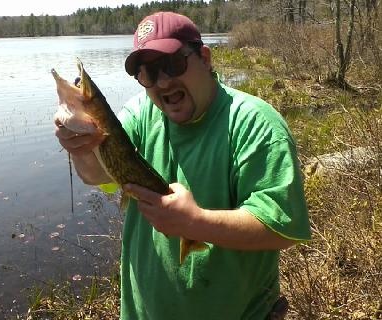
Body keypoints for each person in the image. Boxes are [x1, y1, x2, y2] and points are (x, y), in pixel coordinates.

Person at [55, 11, 311, 320]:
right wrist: (80, 146)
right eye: (148, 72)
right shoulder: (140, 112)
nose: (163, 81)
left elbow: (282, 229)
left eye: (173, 63)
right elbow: (97, 174)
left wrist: (195, 223)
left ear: (205, 58)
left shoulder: (256, 124)